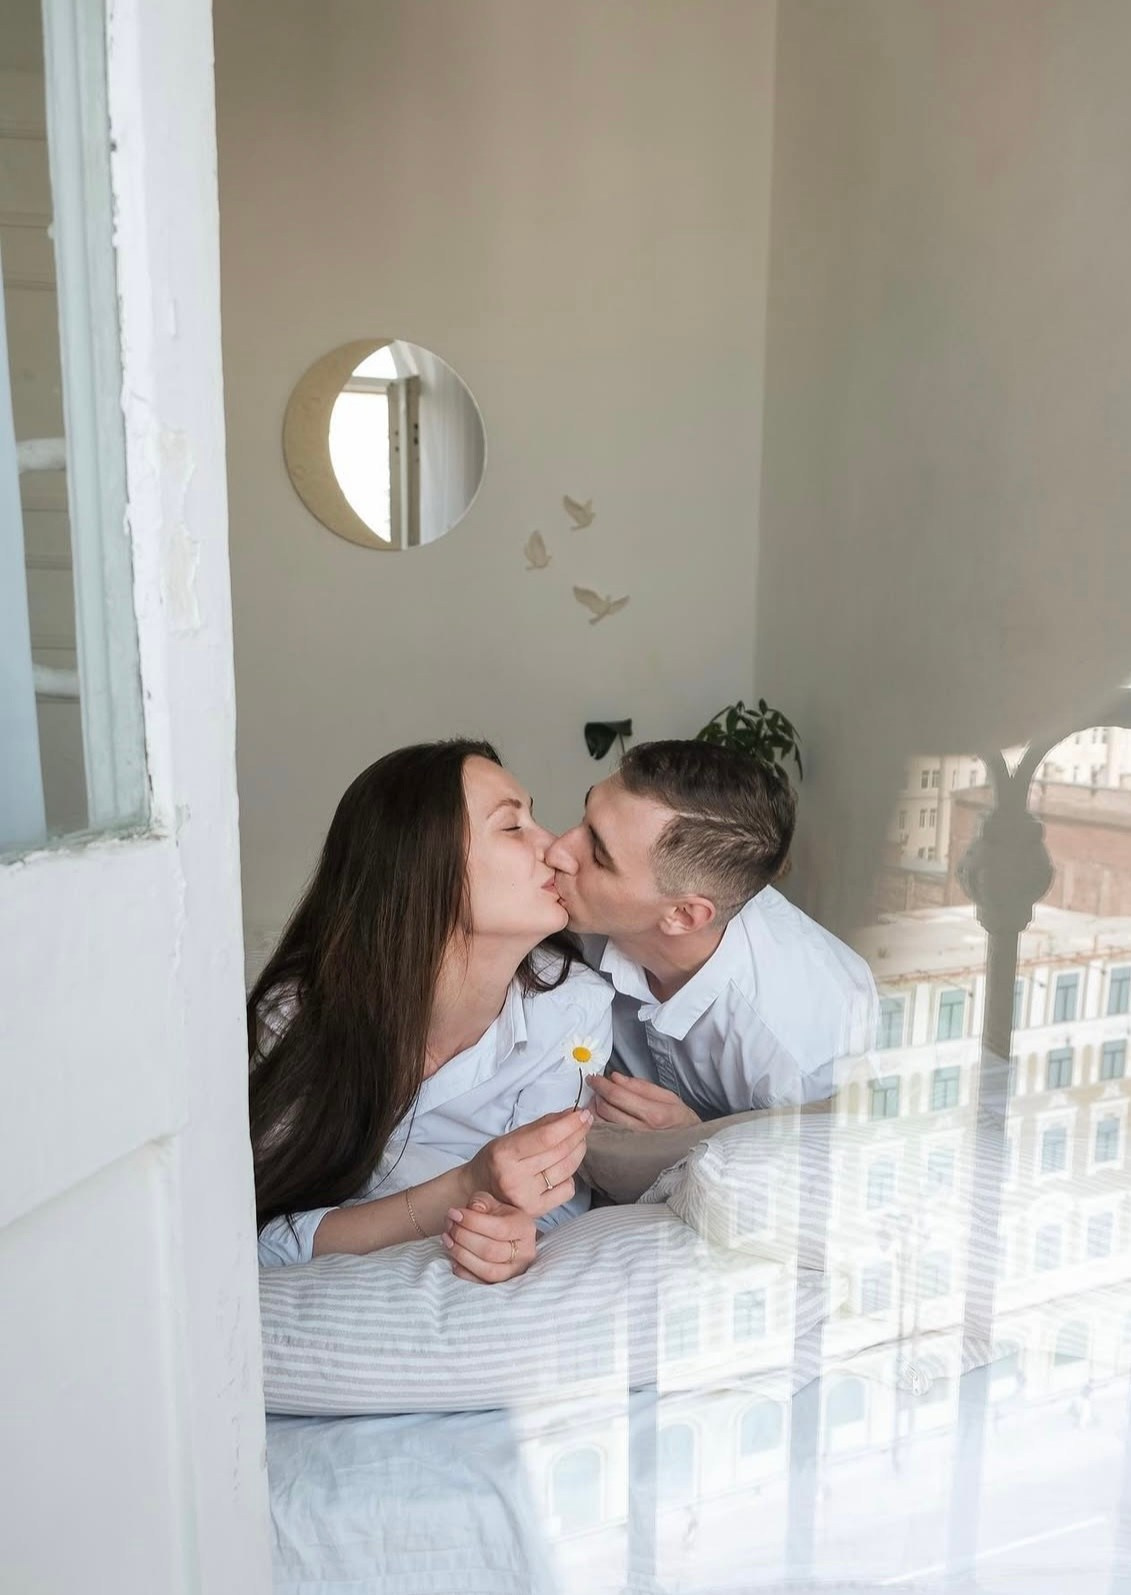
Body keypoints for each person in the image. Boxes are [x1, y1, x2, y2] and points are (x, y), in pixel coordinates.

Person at [249, 739, 612, 1283]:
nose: (556, 848)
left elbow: (550, 1210)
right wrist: (466, 1186)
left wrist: (513, 1236)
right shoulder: (300, 1017)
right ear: (422, 867)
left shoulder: (572, 1008)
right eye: (512, 827)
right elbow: (253, 1235)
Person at [546, 739, 877, 1129]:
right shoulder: (566, 909)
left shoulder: (798, 1051)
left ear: (683, 915)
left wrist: (693, 1136)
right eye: (585, 819)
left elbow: (811, 1160)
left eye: (599, 856)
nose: (556, 851)